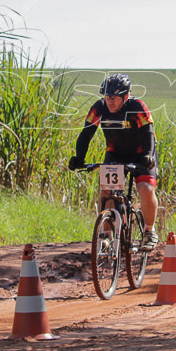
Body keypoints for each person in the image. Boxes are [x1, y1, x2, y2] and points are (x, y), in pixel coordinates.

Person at [68, 73, 160, 251]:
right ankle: (106, 235)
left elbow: (148, 132)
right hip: (116, 153)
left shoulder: (137, 106)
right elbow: (86, 134)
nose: (110, 101)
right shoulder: (99, 108)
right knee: (107, 191)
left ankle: (149, 231)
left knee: (146, 188)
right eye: (108, 97)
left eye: (115, 98)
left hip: (142, 154)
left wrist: (148, 155)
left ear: (125, 97)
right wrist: (79, 157)